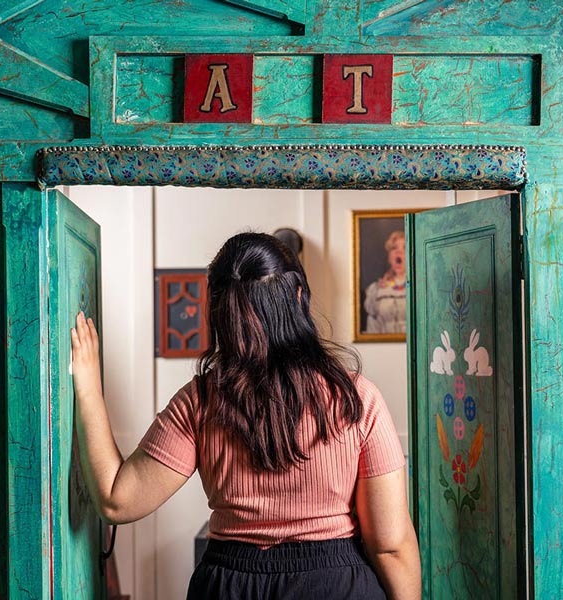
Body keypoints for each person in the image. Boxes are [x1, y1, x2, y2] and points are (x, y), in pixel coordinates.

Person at [71, 232, 421, 600]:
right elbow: (390, 547)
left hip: (229, 586)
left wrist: (89, 387)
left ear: (220, 313)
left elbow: (117, 500)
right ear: (298, 295)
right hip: (335, 585)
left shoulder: (200, 400)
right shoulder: (357, 398)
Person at [363, 230, 406, 335]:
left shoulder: (420, 288)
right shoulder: (376, 290)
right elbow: (372, 326)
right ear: (389, 257)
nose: (399, 252)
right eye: (394, 248)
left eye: (405, 248)